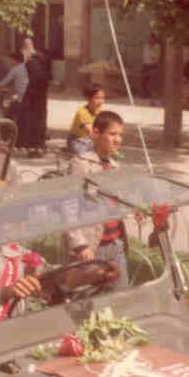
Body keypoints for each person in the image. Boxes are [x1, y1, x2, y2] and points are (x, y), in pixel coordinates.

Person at [64, 111, 130, 290]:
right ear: (96, 133)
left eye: (120, 135)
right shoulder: (81, 164)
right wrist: (80, 245)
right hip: (91, 247)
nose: (118, 140)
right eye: (112, 134)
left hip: (115, 244)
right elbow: (68, 208)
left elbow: (115, 203)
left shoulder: (115, 167)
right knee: (87, 299)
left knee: (122, 296)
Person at [19, 51, 50, 154]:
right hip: (40, 99)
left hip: (31, 97)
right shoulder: (44, 69)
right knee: (39, 122)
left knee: (30, 122)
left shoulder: (31, 65)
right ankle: (39, 145)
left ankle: (31, 146)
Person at [68, 85, 105, 154]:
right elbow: (90, 131)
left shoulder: (100, 112)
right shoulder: (82, 112)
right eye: (97, 98)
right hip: (77, 140)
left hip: (90, 140)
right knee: (85, 154)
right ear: (88, 98)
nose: (101, 101)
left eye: (102, 98)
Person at [0, 53, 29, 130]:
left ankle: (5, 131)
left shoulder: (16, 69)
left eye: (11, 60)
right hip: (29, 98)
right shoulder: (28, 67)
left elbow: (3, 83)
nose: (10, 62)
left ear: (15, 60)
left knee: (8, 116)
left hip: (20, 99)